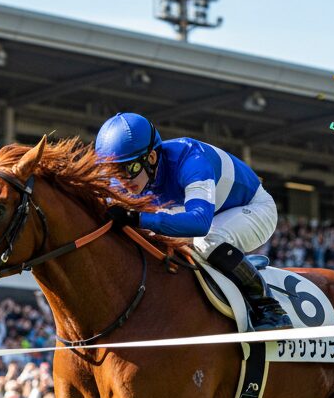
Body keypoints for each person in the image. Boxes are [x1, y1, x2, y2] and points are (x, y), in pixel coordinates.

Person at [94, 112, 291, 331]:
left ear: (150, 158)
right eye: (113, 171)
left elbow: (199, 223)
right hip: (210, 213)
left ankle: (270, 308)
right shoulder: (130, 178)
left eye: (128, 169)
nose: (120, 180)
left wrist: (138, 218)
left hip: (253, 208)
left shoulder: (191, 160)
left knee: (208, 241)